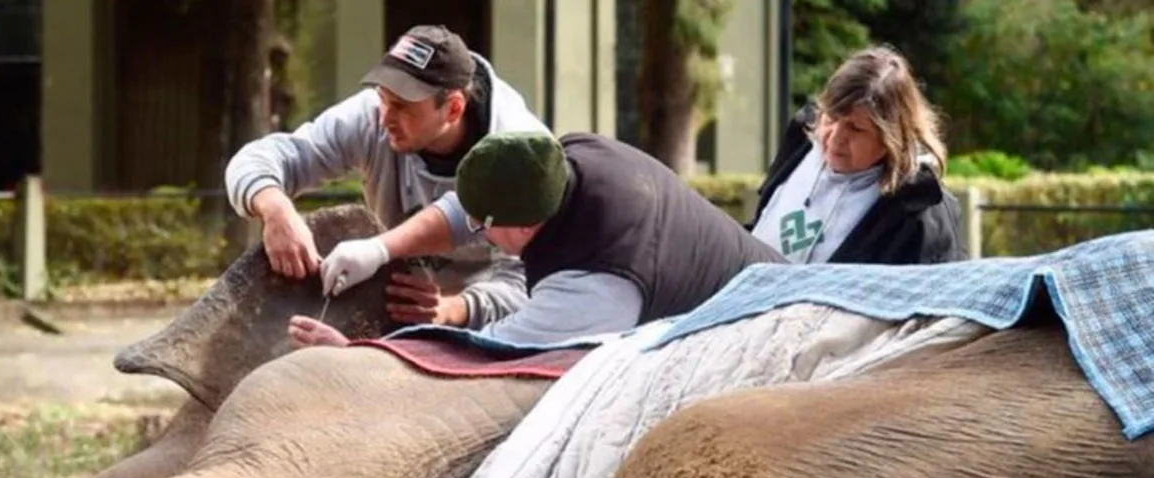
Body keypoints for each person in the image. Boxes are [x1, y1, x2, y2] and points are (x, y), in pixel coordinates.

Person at [288, 131, 787, 348]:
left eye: (484, 229)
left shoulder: (593, 288)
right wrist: (381, 248)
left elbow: (481, 355)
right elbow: (478, 205)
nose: (475, 234)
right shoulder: (564, 157)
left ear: (525, 227)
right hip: (767, 277)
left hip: (773, 331)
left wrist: (362, 351)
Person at [225, 25, 550, 330]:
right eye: (382, 98)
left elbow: (536, 284)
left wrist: (451, 309)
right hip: (393, 295)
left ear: (452, 109)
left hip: (491, 323)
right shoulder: (372, 117)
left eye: (402, 107)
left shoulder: (522, 155)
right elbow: (266, 156)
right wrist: (275, 209)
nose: (385, 118)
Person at [748, 45, 964, 265]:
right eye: (831, 118)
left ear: (891, 140)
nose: (834, 139)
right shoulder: (801, 140)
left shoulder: (919, 213)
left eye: (856, 129)